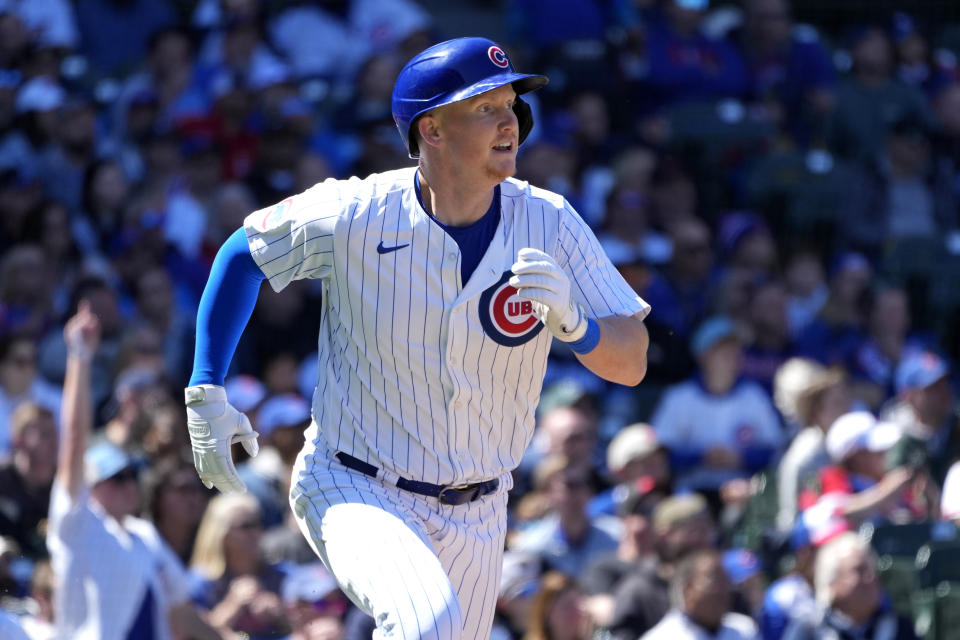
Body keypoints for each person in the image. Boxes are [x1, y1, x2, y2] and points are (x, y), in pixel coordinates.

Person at [184, 36, 650, 640]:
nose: (509, 121)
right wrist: (205, 388)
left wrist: (577, 327)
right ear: (431, 130)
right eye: (485, 107)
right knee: (425, 624)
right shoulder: (355, 212)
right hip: (357, 483)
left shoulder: (550, 220)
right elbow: (242, 253)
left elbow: (633, 359)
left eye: (511, 104)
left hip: (482, 510)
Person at [47, 303, 222, 640]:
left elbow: (183, 614)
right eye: (115, 478)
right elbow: (72, 442)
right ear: (90, 487)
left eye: (129, 475)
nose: (128, 485)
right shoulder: (77, 523)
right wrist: (80, 357)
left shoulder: (144, 534)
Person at [782, 532, 917, 640]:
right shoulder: (809, 630)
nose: (870, 578)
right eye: (859, 570)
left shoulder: (900, 628)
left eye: (872, 570)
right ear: (831, 583)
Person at [640, 549, 759, 640]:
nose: (722, 590)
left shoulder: (744, 629)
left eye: (725, 580)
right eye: (713, 580)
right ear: (688, 589)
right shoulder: (663, 636)